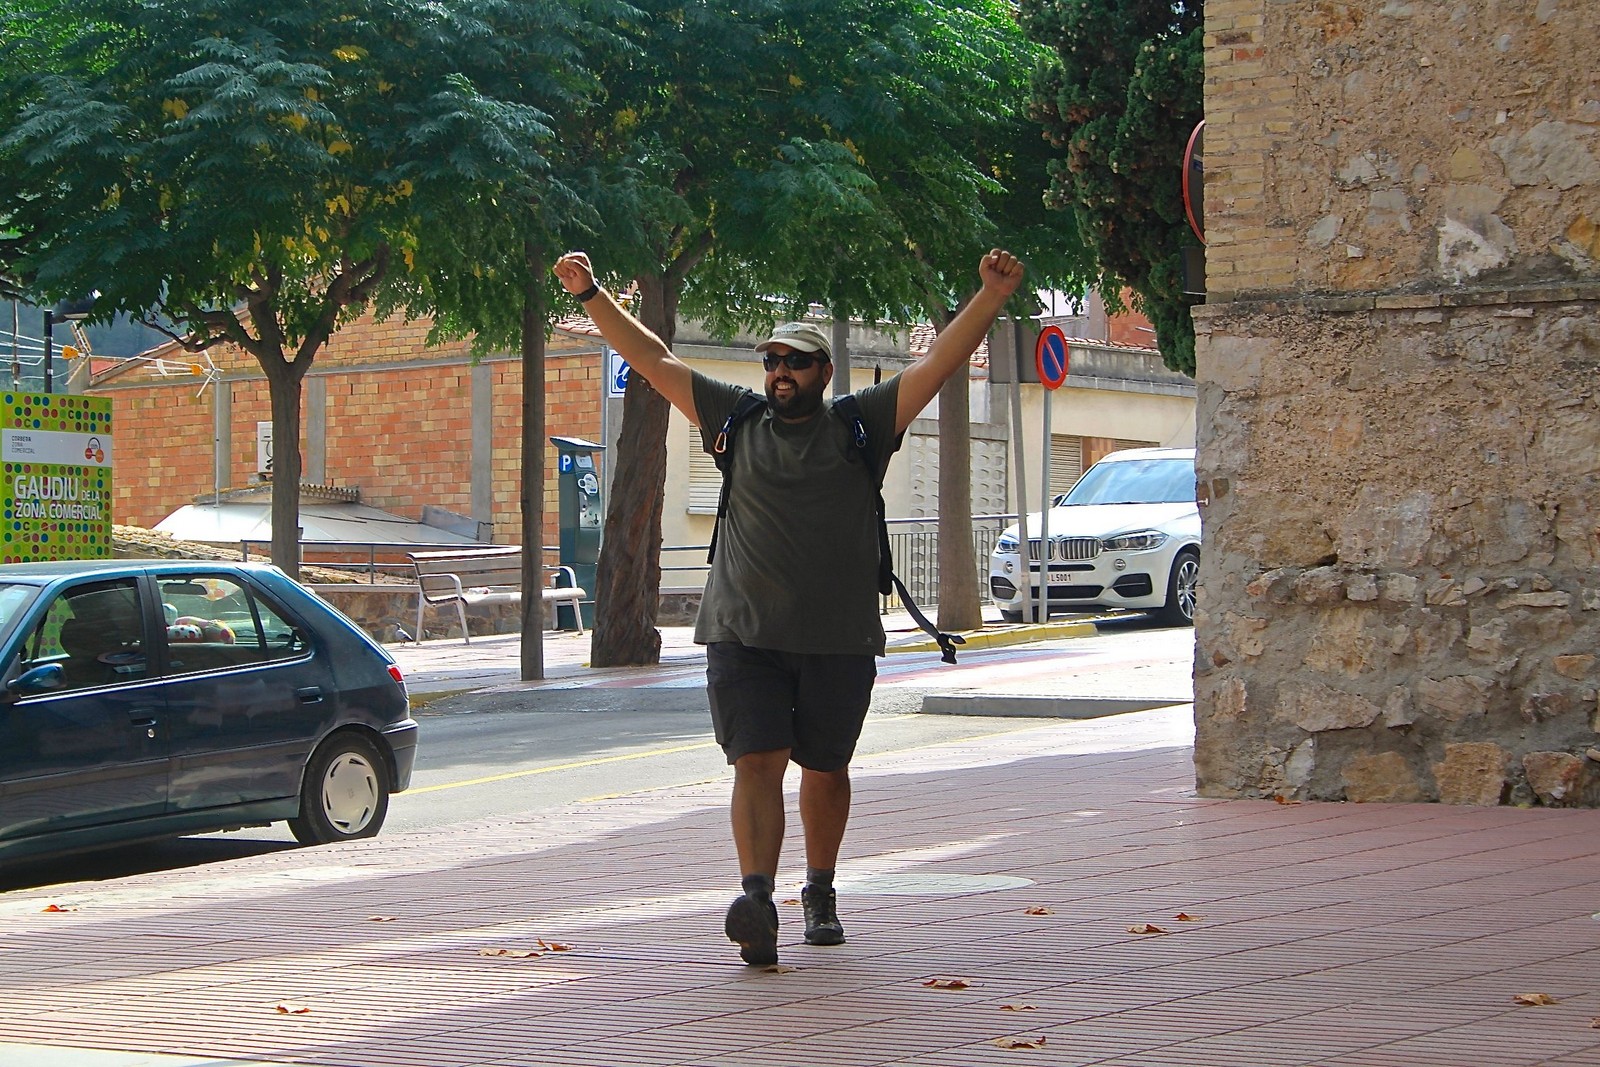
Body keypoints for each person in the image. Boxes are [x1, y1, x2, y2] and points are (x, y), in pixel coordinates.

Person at [553, 248, 1025, 965]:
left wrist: (989, 296)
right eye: (772, 361)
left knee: (826, 767)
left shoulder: (862, 424)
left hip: (839, 637)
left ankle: (820, 889)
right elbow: (652, 359)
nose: (781, 372)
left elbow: (937, 365)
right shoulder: (735, 419)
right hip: (743, 631)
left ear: (823, 373)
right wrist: (591, 294)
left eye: (796, 363)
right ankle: (758, 899)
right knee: (757, 760)